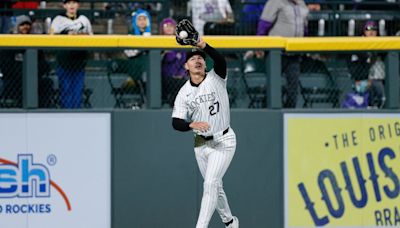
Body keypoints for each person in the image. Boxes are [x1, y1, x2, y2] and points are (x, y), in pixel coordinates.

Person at [171, 37, 239, 228]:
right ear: (186, 66)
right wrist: (191, 125)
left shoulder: (216, 77)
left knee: (210, 184)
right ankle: (230, 222)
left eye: (200, 58)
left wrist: (203, 45)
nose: (198, 60)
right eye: (193, 59)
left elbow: (220, 60)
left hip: (224, 140)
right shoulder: (184, 93)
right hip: (201, 143)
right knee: (216, 186)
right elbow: (176, 122)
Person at [256, 0, 309, 108]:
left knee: (293, 88)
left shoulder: (301, 3)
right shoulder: (275, 1)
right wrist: (259, 44)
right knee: (273, 87)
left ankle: (289, 113)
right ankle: (266, 113)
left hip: (295, 53)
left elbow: (305, 27)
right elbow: (264, 23)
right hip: (276, 53)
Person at [0, 15, 53, 107]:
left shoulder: (34, 41)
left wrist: (33, 72)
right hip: (14, 79)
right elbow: (5, 66)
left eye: (28, 24)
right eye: (22, 25)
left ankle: (43, 110)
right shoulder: (10, 42)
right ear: (17, 26)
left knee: (47, 82)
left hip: (34, 77)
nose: (25, 27)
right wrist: (22, 71)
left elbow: (43, 64)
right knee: (16, 84)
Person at [50, 0, 93, 108]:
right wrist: (66, 34)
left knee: (77, 92)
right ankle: (66, 115)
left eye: (74, 3)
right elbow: (51, 38)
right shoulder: (58, 20)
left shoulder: (84, 19)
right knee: (66, 90)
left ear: (78, 5)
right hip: (64, 61)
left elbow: (92, 38)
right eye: (69, 3)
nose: (72, 5)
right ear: (64, 5)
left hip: (79, 61)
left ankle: (76, 116)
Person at [160, 18, 187, 107]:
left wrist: (180, 74)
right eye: (166, 26)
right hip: (164, 77)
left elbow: (183, 61)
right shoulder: (159, 41)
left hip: (179, 76)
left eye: (171, 26)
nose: (168, 28)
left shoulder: (180, 42)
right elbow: (167, 59)